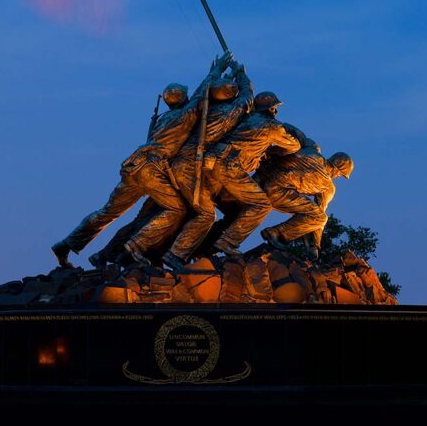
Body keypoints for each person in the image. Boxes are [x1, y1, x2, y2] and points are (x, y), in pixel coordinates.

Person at [50, 51, 232, 267]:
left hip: (133, 166)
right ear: (182, 99)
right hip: (150, 169)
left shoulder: (163, 118)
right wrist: (216, 71)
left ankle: (67, 243)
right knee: (176, 209)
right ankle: (135, 246)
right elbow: (202, 95)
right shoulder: (183, 117)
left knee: (107, 213)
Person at [162, 90, 300, 269]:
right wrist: (290, 134)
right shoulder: (272, 127)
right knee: (262, 205)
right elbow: (293, 145)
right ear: (272, 109)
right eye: (275, 108)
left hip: (211, 167)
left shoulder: (243, 119)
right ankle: (228, 242)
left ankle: (196, 250)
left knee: (234, 210)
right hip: (229, 168)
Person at [257, 141, 354, 261]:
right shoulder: (328, 186)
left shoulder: (312, 152)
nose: (338, 177)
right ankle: (276, 232)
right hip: (277, 192)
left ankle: (278, 235)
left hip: (261, 178)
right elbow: (319, 216)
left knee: (308, 210)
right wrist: (315, 246)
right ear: (337, 170)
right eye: (341, 174)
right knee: (320, 218)